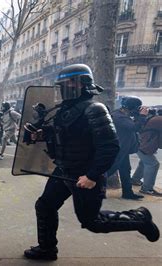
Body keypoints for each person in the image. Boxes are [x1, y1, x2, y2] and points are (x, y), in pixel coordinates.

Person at [22, 64, 159, 261]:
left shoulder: (95, 109)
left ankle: (140, 218)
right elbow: (65, 134)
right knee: (45, 206)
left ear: (82, 84)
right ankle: (47, 249)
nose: (64, 88)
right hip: (63, 170)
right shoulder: (64, 110)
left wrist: (92, 176)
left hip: (85, 173)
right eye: (62, 85)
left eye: (68, 83)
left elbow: (110, 146)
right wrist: (41, 134)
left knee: (93, 222)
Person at [106, 96, 146, 200]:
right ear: (132, 108)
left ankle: (127, 193)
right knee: (109, 171)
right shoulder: (119, 117)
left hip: (123, 150)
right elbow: (135, 127)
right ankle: (90, 189)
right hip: (118, 150)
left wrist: (139, 115)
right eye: (137, 108)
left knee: (125, 171)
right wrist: (142, 116)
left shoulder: (122, 115)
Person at [131, 111, 162, 196]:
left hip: (140, 143)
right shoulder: (159, 120)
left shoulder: (156, 118)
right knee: (153, 164)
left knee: (145, 163)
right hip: (143, 145)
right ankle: (147, 189)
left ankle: (135, 180)